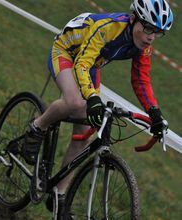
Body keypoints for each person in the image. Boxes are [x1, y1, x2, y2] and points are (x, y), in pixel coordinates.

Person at [22, 0, 173, 215]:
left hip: (91, 63)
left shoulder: (144, 47)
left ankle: (59, 192)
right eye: (148, 28)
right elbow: (81, 63)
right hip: (67, 52)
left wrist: (154, 113)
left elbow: (140, 80)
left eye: (157, 32)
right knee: (76, 102)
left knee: (84, 133)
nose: (151, 36)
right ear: (133, 19)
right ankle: (37, 128)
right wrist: (92, 97)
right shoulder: (109, 28)